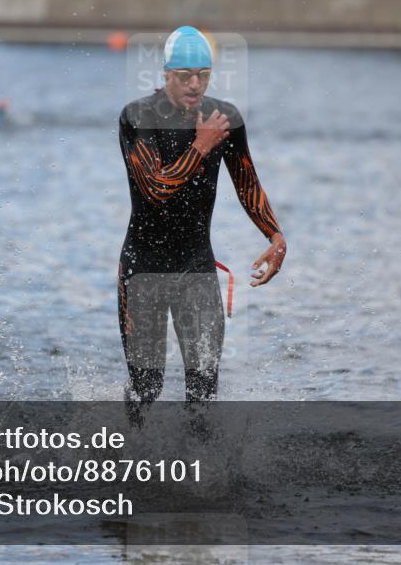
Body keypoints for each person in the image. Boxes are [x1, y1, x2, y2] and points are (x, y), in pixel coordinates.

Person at [117, 26, 287, 422]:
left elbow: (246, 180)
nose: (195, 85)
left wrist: (274, 234)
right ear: (166, 75)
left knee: (204, 390)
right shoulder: (137, 117)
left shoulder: (224, 118)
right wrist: (202, 145)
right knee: (147, 387)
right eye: (185, 77)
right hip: (144, 266)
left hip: (196, 265)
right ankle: (127, 456)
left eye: (203, 76)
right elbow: (156, 190)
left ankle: (202, 478)